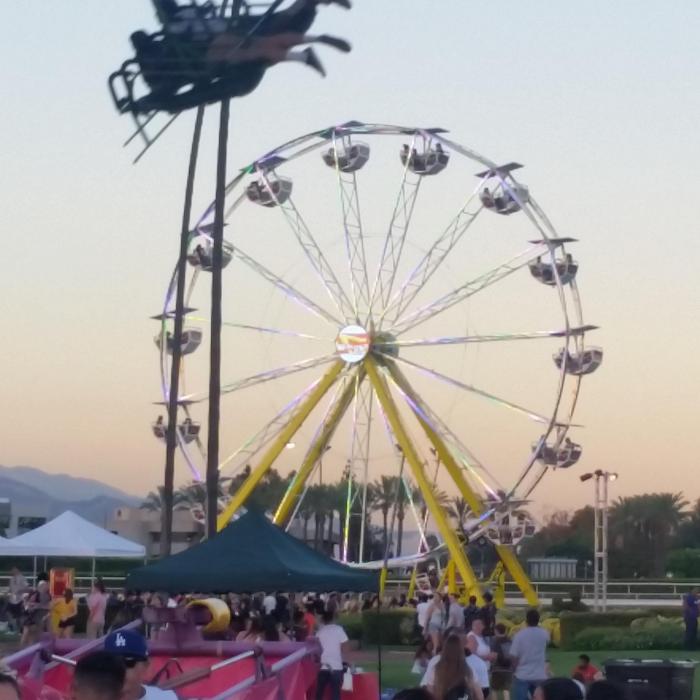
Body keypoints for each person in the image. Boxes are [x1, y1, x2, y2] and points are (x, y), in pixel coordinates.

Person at [105, 629, 177, 700]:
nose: (118, 670)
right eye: (110, 663)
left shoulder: (164, 697)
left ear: (145, 665)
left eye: (128, 662)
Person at [421, 634, 484, 700]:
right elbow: (480, 696)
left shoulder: (436, 669)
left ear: (445, 649)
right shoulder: (468, 670)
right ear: (461, 650)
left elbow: (429, 694)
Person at [509, 609, 550, 700]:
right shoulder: (544, 634)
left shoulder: (519, 635)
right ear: (538, 620)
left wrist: (514, 669)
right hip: (540, 674)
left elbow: (513, 656)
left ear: (526, 620)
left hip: (522, 673)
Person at [314, 610, 348, 700]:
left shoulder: (320, 631)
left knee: (319, 693)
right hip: (336, 666)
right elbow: (345, 647)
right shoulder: (339, 629)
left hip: (323, 665)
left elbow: (316, 649)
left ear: (323, 620)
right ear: (333, 618)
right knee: (335, 693)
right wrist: (344, 661)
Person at [489, 623, 512, 700]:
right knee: (506, 690)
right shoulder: (509, 640)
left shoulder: (494, 641)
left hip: (497, 668)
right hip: (508, 668)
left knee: (494, 689)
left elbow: (493, 655)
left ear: (496, 631)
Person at [6, 568, 28, 633]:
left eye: (14, 569)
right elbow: (10, 588)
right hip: (12, 599)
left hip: (20, 599)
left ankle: (21, 630)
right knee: (8, 613)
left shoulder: (23, 578)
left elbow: (27, 588)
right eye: (12, 570)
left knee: (20, 616)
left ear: (18, 570)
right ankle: (12, 628)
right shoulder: (11, 579)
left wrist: (20, 591)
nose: (12, 571)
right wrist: (6, 593)